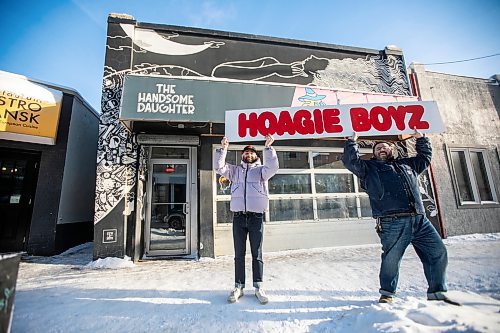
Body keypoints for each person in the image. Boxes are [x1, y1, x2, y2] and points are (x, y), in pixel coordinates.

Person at [342, 129, 459, 305]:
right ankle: (387, 293)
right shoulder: (368, 169)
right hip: (392, 222)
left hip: (420, 220)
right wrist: (352, 142)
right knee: (391, 259)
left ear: (393, 150)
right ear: (374, 154)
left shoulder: (408, 165)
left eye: (385, 147)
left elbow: (425, 157)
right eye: (378, 148)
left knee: (438, 252)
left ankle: (437, 292)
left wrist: (421, 138)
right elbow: (351, 161)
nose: (381, 149)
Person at [214, 134, 279, 304]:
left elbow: (273, 167)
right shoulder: (235, 171)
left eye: (251, 153)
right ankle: (239, 286)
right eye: (246, 153)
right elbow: (219, 167)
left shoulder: (262, 171)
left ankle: (259, 287)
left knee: (257, 254)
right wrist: (224, 149)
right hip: (238, 218)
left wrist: (268, 148)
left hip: (256, 218)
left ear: (256, 156)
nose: (248, 154)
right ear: (242, 156)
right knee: (239, 254)